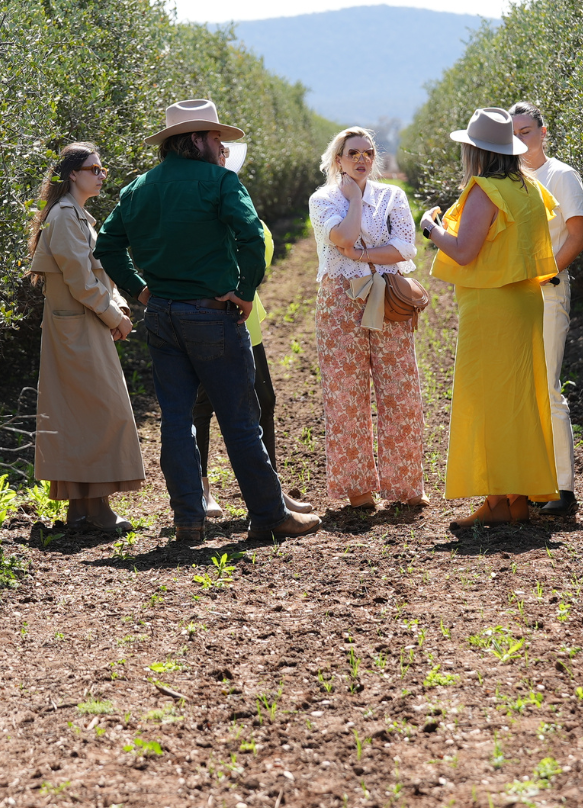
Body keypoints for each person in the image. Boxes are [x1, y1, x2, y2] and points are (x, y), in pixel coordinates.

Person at [93, 99, 320, 543]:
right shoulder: (219, 182)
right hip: (212, 316)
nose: (222, 147)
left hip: (162, 316)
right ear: (195, 139)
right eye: (216, 137)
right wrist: (246, 289)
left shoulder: (138, 188)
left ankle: (188, 520)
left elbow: (107, 245)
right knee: (239, 418)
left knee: (176, 418)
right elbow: (252, 235)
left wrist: (139, 289)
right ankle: (270, 516)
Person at [420, 108, 559, 529]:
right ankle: (516, 498)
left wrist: (431, 228)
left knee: (490, 403)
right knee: (518, 400)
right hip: (523, 301)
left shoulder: (486, 190)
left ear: (475, 152)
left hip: (491, 306)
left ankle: (498, 502)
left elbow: (464, 251)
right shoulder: (530, 188)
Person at [308, 128, 429, 510]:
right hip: (339, 303)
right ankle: (357, 487)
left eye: (368, 153)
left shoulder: (393, 195)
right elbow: (342, 237)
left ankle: (407, 486)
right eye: (353, 153)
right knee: (346, 395)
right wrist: (356, 199)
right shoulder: (323, 199)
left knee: (401, 389)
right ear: (338, 160)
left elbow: (405, 246)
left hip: (388, 298)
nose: (362, 159)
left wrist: (363, 258)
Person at [28, 143, 145, 532]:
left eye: (101, 168)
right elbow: (81, 281)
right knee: (99, 411)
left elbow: (99, 275)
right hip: (73, 327)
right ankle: (96, 510)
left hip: (82, 323)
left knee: (83, 413)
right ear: (72, 174)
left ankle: (81, 511)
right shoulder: (64, 217)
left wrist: (119, 308)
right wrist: (116, 315)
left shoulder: (80, 217)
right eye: (93, 168)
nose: (101, 174)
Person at [193, 142, 313, 519]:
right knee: (201, 405)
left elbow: (259, 248)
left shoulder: (237, 200)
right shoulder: (203, 204)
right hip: (207, 316)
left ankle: (270, 491)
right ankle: (201, 491)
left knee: (264, 401)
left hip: (247, 319)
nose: (225, 160)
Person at [511, 102, 583, 517]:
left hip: (547, 293)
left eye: (526, 130)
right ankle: (530, 482)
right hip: (512, 299)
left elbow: (577, 236)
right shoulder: (510, 180)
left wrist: (542, 277)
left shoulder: (561, 176)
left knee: (547, 387)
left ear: (543, 132)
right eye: (513, 133)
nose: (520, 139)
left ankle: (563, 489)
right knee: (521, 389)